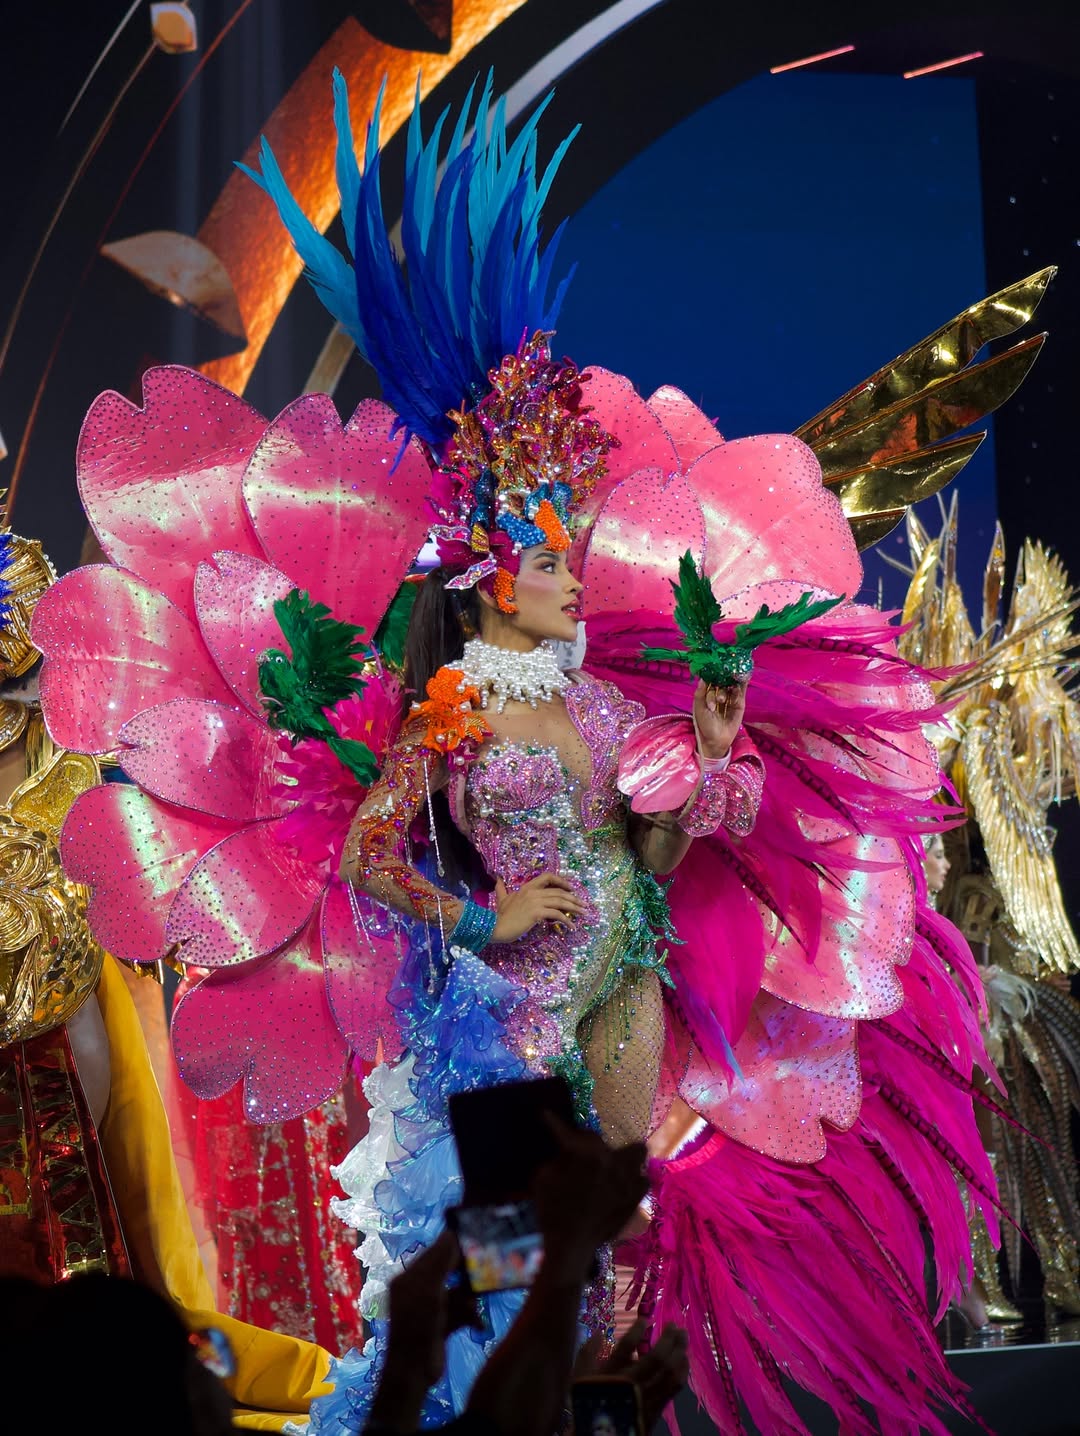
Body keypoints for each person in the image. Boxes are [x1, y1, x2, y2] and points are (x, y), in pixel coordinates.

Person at [31, 72, 1047, 1436]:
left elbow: (658, 838)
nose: (575, 564)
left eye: (572, 542)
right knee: (510, 1270)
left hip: (628, 975)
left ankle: (594, 1404)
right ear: (494, 569)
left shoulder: (601, 703)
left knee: (616, 1263)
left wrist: (712, 762)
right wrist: (486, 911)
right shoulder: (445, 709)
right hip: (508, 1007)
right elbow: (379, 856)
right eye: (549, 547)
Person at [901, 500, 1080, 1325]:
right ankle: (972, 1283)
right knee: (961, 1129)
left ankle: (1062, 1269)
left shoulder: (1006, 739)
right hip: (944, 974)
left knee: (1026, 1129)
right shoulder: (945, 743)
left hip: (998, 969)